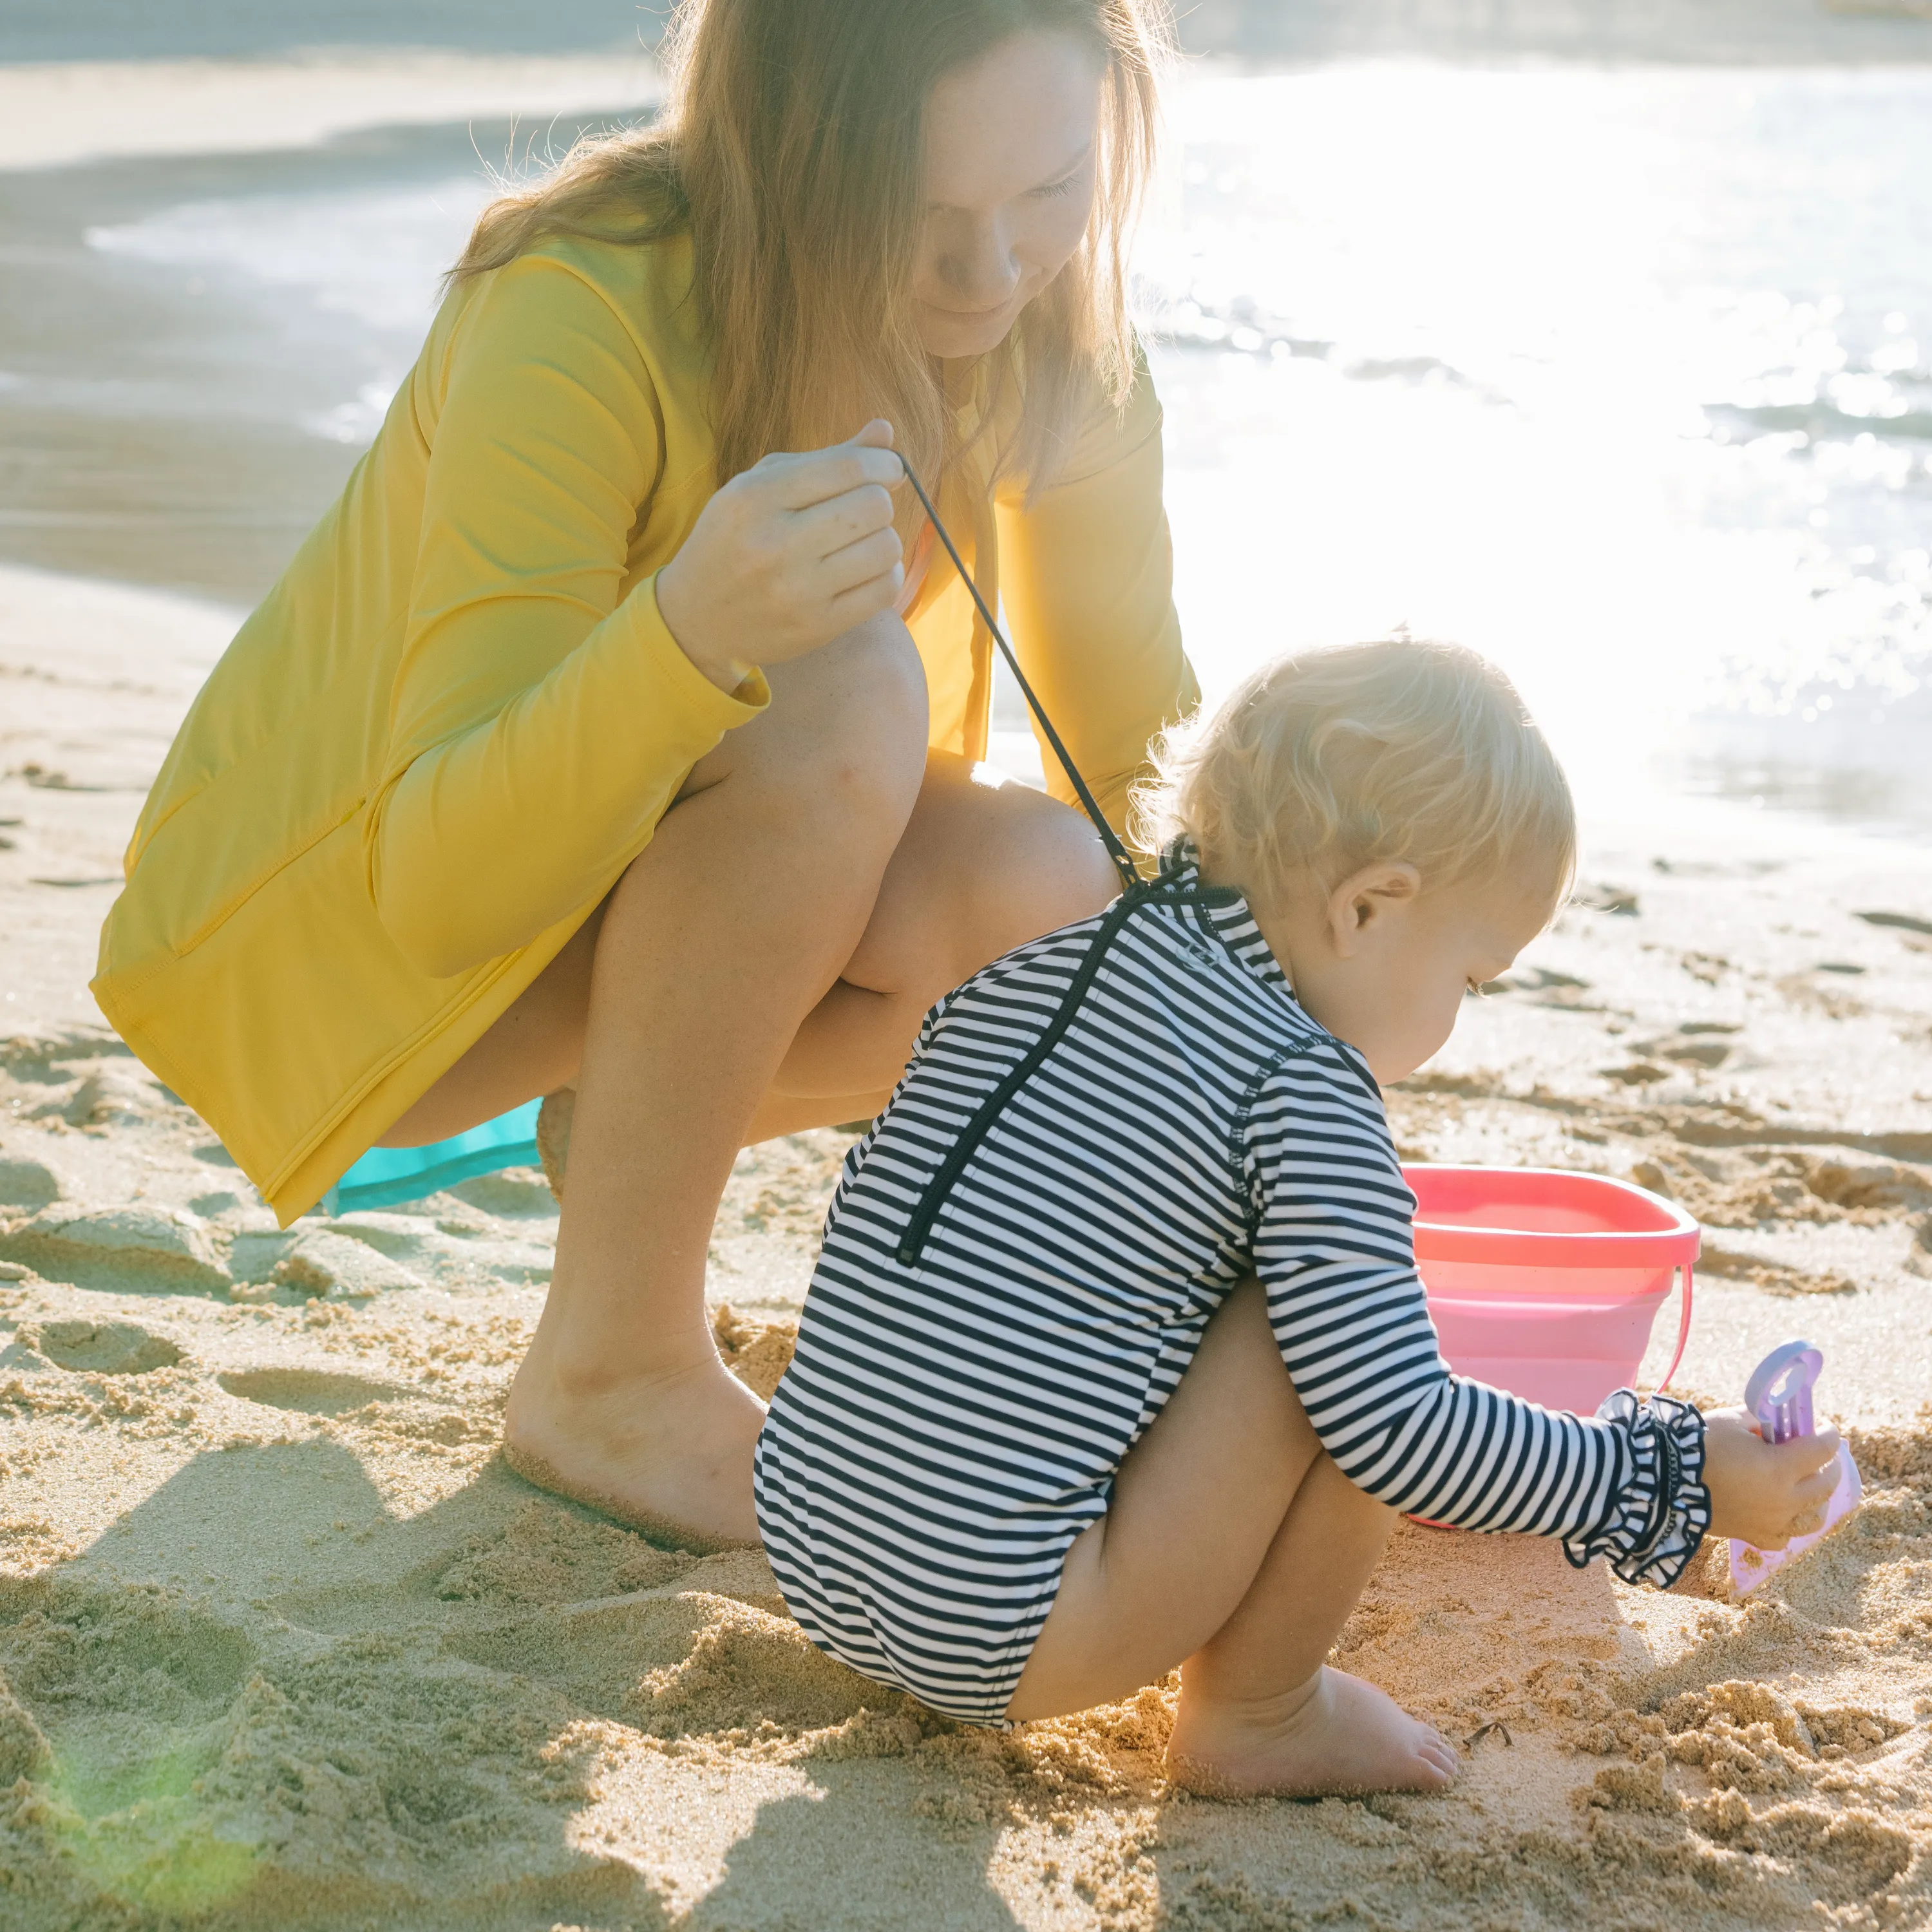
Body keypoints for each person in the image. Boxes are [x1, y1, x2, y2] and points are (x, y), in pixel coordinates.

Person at [93, 0, 1195, 1548]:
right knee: (845, 682)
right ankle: (611, 1366)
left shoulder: (1057, 340)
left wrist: (1295, 1091)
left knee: (1061, 887)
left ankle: (616, 1143)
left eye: (1052, 193)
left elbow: (1144, 781)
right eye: (922, 211)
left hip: (674, 915)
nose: (992, 273)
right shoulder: (585, 300)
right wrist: (685, 631)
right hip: (359, 967)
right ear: (791, 154)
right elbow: (433, 888)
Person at [752, 639, 1844, 1795]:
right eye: (1471, 981)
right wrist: (1669, 1484)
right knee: (1340, 1332)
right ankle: (1259, 1710)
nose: (1455, 1025)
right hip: (999, 1622)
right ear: (1370, 907)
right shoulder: (1302, 1084)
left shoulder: (1040, 969)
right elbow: (1398, 1428)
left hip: (811, 1546)